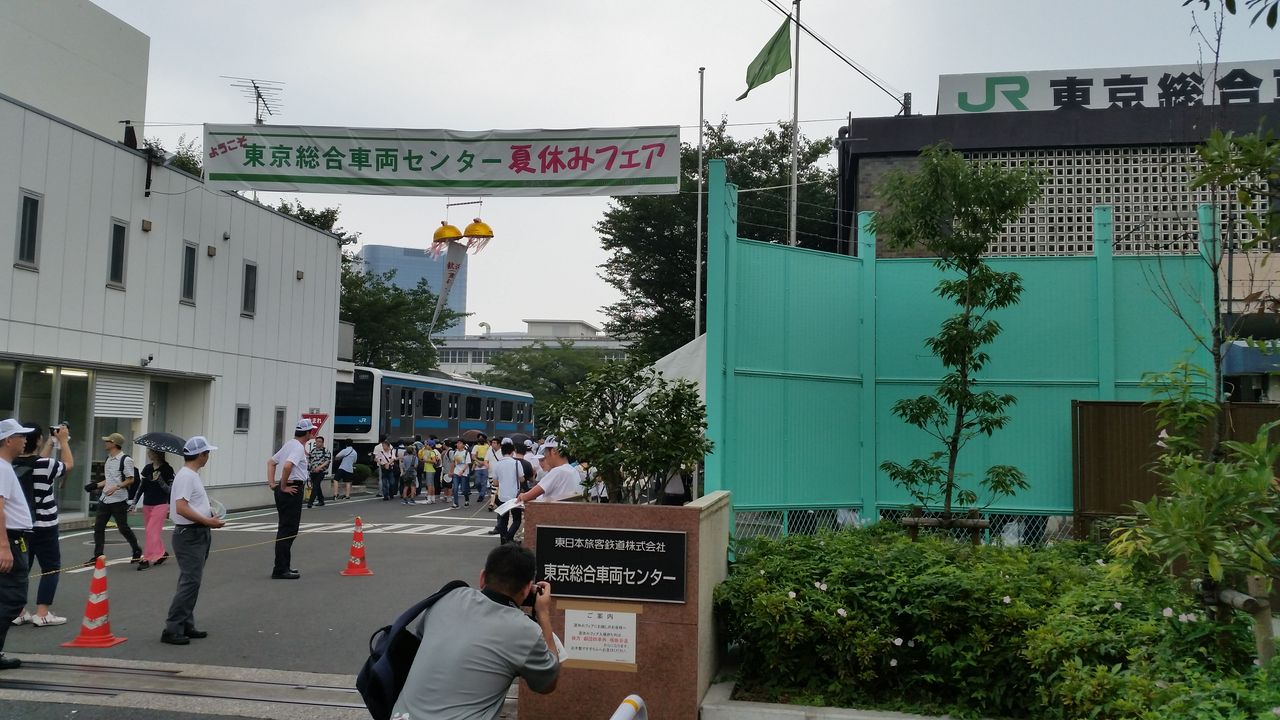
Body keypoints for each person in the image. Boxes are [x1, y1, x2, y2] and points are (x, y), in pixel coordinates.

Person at [390, 544, 559, 719]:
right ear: (527, 589)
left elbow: (420, 637)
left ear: (482, 577)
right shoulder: (525, 630)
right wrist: (543, 614)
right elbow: (547, 682)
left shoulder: (448, 596)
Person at [161, 435, 225, 645]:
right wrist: (207, 520)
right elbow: (181, 507)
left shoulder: (190, 474)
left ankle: (185, 623)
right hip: (190, 534)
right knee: (190, 581)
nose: (208, 457)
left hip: (194, 532)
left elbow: (187, 505)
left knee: (190, 581)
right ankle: (173, 627)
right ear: (200, 455)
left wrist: (208, 515)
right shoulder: (187, 476)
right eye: (207, 453)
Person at [10, 423, 70, 627]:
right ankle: (42, 612)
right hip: (46, 524)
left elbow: (38, 460)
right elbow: (68, 465)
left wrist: (51, 444)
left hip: (21, 525)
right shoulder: (46, 465)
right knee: (51, 568)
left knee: (22, 568)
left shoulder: (11, 464)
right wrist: (62, 441)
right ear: (37, 440)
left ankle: (18, 611)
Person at [265, 419, 316, 580]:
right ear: (307, 433)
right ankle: (280, 568)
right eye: (311, 431)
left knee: (286, 528)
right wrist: (284, 486)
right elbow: (287, 466)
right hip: (292, 489)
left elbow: (271, 462)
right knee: (288, 530)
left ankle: (283, 566)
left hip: (286, 489)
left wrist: (273, 483)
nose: (312, 434)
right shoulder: (298, 447)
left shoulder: (289, 444)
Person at [89, 432, 142, 565]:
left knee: (123, 528)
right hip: (105, 498)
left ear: (113, 443)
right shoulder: (108, 459)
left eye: (107, 441)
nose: (105, 443)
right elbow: (109, 480)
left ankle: (136, 549)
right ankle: (98, 556)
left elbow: (130, 479)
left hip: (119, 500)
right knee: (98, 527)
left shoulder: (126, 460)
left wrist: (117, 487)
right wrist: (95, 485)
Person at [134, 449, 174, 570]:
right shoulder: (147, 468)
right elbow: (141, 487)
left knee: (151, 531)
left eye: (150, 452)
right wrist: (134, 502)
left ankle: (146, 559)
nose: (148, 454)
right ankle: (162, 553)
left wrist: (160, 480)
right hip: (147, 504)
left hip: (160, 504)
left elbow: (170, 490)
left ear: (158, 454)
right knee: (151, 532)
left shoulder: (168, 469)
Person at [491, 440, 534, 545]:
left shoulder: (497, 464)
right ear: (512, 452)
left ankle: (503, 541)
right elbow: (522, 479)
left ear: (502, 452)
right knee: (517, 519)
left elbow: (495, 482)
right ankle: (509, 537)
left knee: (503, 521)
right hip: (515, 496)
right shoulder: (516, 463)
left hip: (502, 496)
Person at [516, 437, 582, 504]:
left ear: (553, 451)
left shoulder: (558, 471)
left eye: (546, 452)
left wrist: (522, 496)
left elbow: (528, 496)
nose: (545, 456)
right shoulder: (572, 470)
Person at [306, 436, 331, 509]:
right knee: (317, 486)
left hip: (321, 472)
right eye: (317, 441)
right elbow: (309, 460)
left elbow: (327, 461)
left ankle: (310, 502)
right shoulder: (312, 451)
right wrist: (311, 468)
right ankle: (321, 500)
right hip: (313, 471)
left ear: (323, 443)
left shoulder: (325, 451)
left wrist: (320, 467)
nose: (318, 443)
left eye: (320, 441)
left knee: (315, 486)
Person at [449, 439, 472, 509]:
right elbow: (453, 462)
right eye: (457, 443)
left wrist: (462, 471)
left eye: (460, 443)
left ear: (463, 445)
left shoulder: (466, 452)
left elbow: (467, 463)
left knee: (464, 489)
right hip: (456, 472)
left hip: (464, 473)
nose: (458, 444)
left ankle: (467, 500)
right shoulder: (455, 452)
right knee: (455, 488)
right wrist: (451, 471)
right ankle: (456, 503)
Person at [373, 436, 397, 502]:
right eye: (383, 446)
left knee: (392, 482)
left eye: (384, 446)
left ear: (388, 446)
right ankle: (385, 495)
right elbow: (376, 458)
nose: (383, 447)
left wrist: (388, 464)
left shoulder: (392, 451)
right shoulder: (381, 452)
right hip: (383, 468)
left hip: (390, 468)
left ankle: (391, 493)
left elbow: (393, 458)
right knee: (384, 482)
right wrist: (380, 463)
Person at [472, 434, 490, 503]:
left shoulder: (487, 446)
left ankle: (481, 495)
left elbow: (489, 456)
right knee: (477, 482)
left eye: (482, 438)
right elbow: (473, 456)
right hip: (478, 466)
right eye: (479, 438)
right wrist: (479, 462)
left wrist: (484, 463)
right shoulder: (476, 446)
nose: (481, 439)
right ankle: (481, 492)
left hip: (485, 466)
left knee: (484, 482)